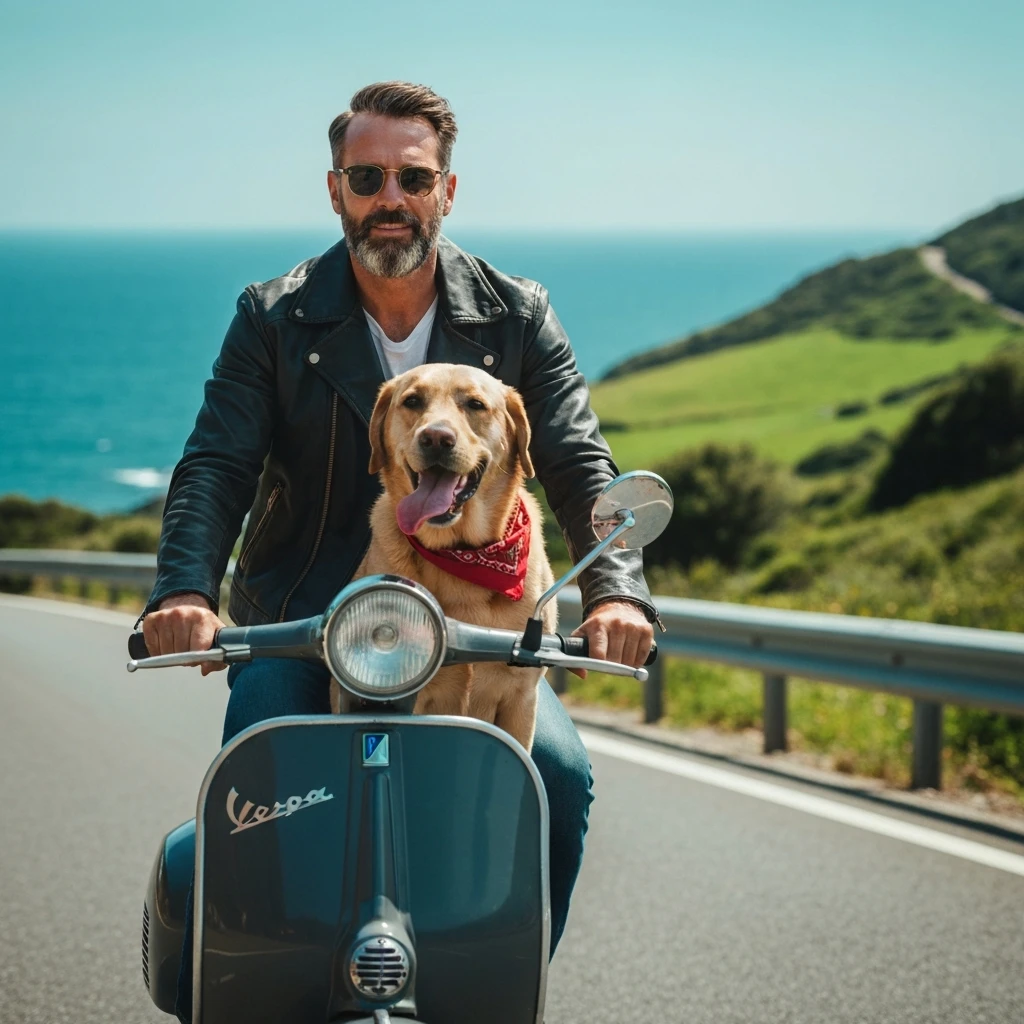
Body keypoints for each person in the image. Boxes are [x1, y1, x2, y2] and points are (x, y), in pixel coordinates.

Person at [140, 80, 657, 1021]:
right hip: (304, 618)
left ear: (446, 191)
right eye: (367, 177)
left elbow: (579, 460)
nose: (391, 198)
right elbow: (217, 463)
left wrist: (617, 592)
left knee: (559, 777)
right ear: (335, 190)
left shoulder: (517, 313)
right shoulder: (272, 316)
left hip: (482, 624)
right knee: (264, 778)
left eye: (413, 178)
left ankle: (497, 991)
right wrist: (185, 591)